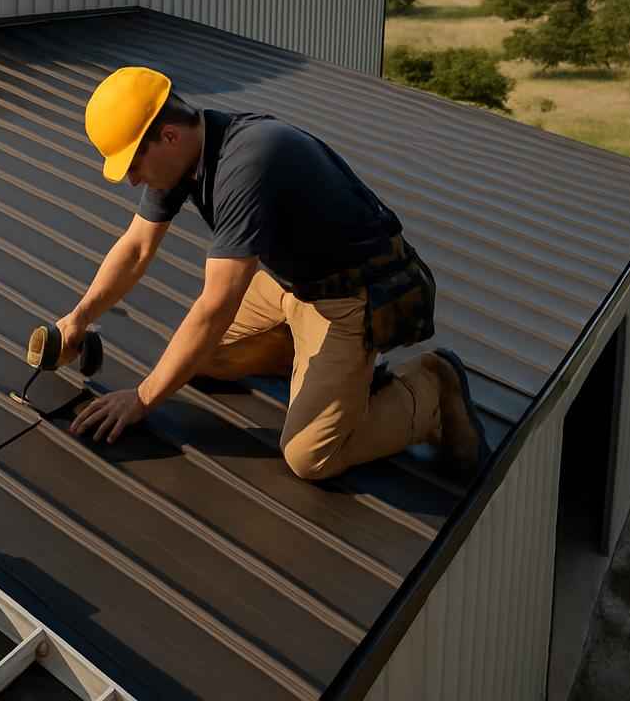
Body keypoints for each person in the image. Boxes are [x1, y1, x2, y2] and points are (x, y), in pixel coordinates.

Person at [61, 66, 489, 481]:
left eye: (132, 165)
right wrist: (77, 320)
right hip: (292, 283)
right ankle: (312, 361)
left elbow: (216, 306)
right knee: (194, 358)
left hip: (349, 295)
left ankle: (432, 388)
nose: (132, 181)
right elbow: (136, 248)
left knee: (310, 457)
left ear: (168, 136)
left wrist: (141, 399)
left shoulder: (247, 162)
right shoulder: (187, 152)